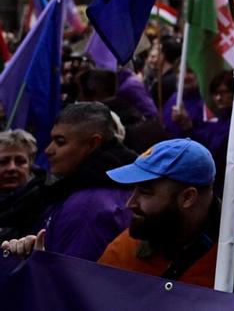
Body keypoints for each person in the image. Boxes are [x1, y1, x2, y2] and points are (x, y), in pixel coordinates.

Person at [1, 103, 135, 261]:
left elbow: (71, 278)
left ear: (92, 144)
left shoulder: (88, 207)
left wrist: (36, 263)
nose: (48, 150)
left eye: (60, 141)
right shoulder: (72, 191)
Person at [95, 139, 221, 287]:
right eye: (134, 190)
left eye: (145, 192)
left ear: (187, 197)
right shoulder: (123, 251)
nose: (130, 203)